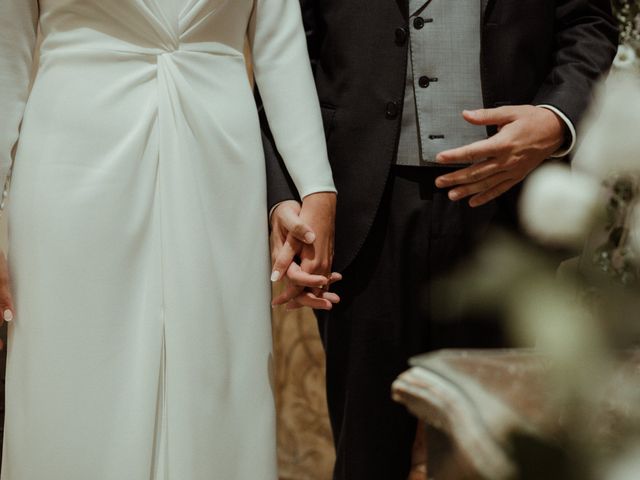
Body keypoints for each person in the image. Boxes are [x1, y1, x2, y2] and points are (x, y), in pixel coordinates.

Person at [266, 1, 619, 479]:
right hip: (360, 210)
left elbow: (587, 21)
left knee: (496, 451)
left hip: (506, 209)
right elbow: (282, 52)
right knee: (365, 455)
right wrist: (289, 194)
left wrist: (556, 119)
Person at [0, 0, 337, 478]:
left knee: (215, 381)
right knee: (72, 380)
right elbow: (4, 58)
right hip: (71, 168)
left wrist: (317, 187)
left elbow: (280, 47)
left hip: (219, 170)